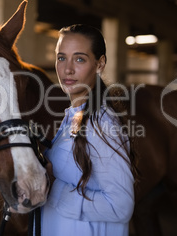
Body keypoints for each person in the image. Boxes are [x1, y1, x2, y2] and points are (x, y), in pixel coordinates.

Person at [41, 24, 138, 235]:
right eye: (61, 58)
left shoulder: (102, 124)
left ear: (100, 64)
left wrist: (52, 188)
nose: (67, 69)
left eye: (79, 59)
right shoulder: (72, 117)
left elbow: (120, 207)